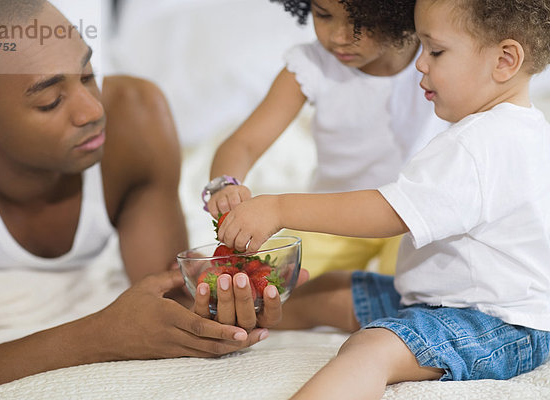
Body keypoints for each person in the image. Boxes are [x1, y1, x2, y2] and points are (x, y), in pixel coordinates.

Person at [214, 0, 550, 398]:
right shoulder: (513, 127)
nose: (420, 65)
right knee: (331, 290)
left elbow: (389, 213)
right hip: (450, 299)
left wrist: (279, 207)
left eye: (435, 51)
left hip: (496, 324)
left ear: (505, 60)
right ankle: (226, 317)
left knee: (372, 347)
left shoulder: (477, 144)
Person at [0, 0, 289, 391]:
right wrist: (95, 337)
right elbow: (118, 330)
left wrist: (239, 300)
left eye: (89, 75)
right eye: (51, 101)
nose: (92, 111)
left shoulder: (135, 117)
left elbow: (167, 300)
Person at [204, 0, 448, 278]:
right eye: (323, 14)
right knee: (262, 282)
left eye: (361, 22)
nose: (338, 37)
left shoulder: (438, 59)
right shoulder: (312, 65)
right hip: (332, 218)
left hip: (408, 218)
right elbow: (243, 144)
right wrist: (224, 185)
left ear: (398, 13)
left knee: (417, 290)